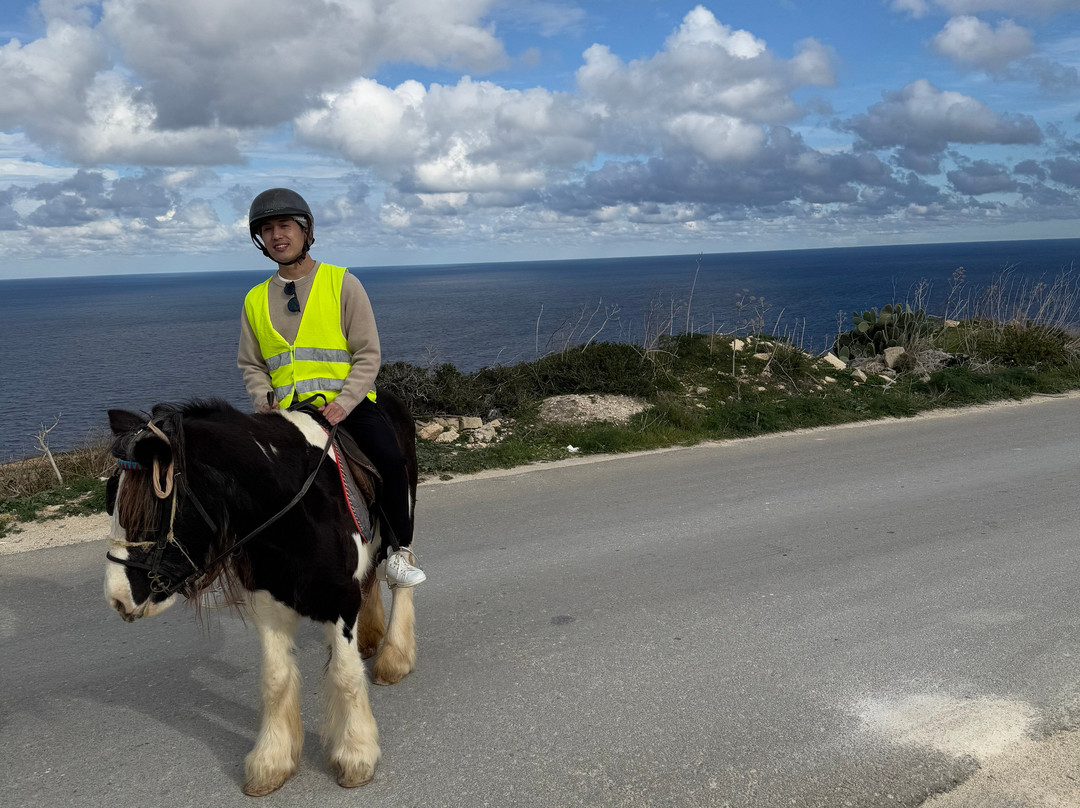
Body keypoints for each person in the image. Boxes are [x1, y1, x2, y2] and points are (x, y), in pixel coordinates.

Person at [237, 187, 425, 588]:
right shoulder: (254, 300)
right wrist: (263, 400)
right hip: (287, 416)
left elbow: (368, 354)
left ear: (305, 231)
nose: (277, 236)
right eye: (267, 229)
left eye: (285, 225)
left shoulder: (343, 284)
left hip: (347, 408)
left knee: (391, 461)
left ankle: (398, 551)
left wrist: (345, 401)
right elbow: (252, 364)